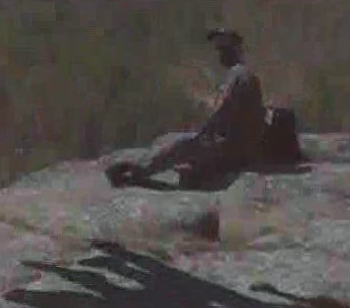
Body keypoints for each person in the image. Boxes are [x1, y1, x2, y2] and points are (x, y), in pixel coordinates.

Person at [106, 28, 267, 188]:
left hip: (233, 149)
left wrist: (200, 137)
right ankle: (158, 167)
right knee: (170, 140)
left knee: (181, 145)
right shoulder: (238, 75)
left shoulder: (239, 75)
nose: (220, 54)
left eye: (224, 49)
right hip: (232, 145)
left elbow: (221, 113)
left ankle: (135, 172)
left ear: (236, 50)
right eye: (219, 49)